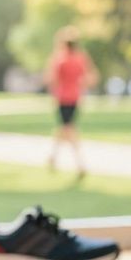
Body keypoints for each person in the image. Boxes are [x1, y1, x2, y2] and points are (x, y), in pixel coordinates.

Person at [45, 27, 97, 179]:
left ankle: (78, 164)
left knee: (68, 129)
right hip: (75, 98)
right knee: (65, 128)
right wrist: (80, 85)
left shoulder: (60, 59)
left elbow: (51, 79)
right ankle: (55, 158)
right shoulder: (80, 59)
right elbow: (91, 77)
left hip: (63, 98)